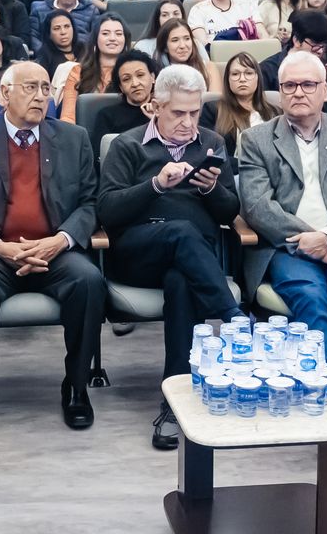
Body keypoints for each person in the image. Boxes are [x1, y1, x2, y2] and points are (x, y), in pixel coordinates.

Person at [0, 61, 106, 435]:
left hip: (56, 251)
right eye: (30, 87)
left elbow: (90, 203)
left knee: (89, 281)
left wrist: (59, 241)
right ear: (4, 95)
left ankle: (76, 387)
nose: (40, 96)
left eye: (46, 88)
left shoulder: (74, 138)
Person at [238, 51, 327, 447]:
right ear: (279, 91)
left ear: (325, 90)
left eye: (308, 84)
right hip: (286, 249)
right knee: (313, 299)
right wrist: (314, 241)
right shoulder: (256, 140)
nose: (298, 92)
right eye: (289, 85)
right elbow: (257, 207)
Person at [98, 64, 245, 450]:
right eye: (178, 113)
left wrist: (212, 189)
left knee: (182, 282)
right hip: (139, 253)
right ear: (155, 107)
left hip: (193, 262)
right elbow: (107, 210)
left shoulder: (211, 142)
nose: (188, 122)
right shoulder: (128, 145)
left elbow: (229, 211)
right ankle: (234, 319)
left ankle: (173, 405)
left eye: (194, 112)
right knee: (181, 232)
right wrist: (156, 185)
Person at [57, 14, 128, 121]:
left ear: (125, 39)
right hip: (83, 129)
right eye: (105, 33)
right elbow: (68, 116)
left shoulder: (132, 72)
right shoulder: (78, 72)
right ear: (95, 39)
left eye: (118, 34)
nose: (112, 38)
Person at [259, 8, 327, 93]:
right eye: (315, 44)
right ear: (297, 41)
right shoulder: (267, 70)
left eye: (324, 45)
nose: (320, 51)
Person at [95, 52, 157, 147]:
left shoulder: (164, 111)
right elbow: (100, 152)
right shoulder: (107, 116)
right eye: (126, 79)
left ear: (152, 77)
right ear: (121, 87)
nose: (135, 84)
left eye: (140, 75)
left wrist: (156, 120)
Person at [154, 18, 218, 95]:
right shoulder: (155, 72)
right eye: (175, 40)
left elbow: (215, 100)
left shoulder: (208, 68)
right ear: (165, 47)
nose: (183, 45)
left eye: (187, 39)